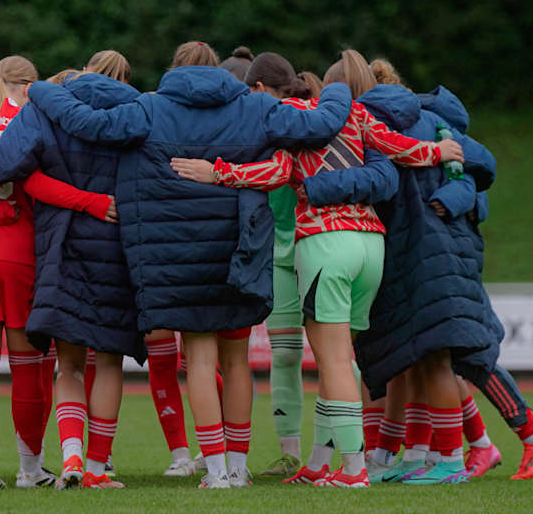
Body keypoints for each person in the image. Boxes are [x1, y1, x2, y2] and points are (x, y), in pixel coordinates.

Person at [25, 51, 354, 488]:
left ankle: (215, 472)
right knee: (237, 362)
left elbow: (89, 124)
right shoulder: (255, 108)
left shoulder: (150, 107)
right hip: (239, 252)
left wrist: (41, 88)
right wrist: (337, 88)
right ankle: (238, 469)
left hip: (176, 260)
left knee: (199, 360)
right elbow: (320, 126)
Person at [173, 51, 458, 487]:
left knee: (334, 361)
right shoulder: (357, 117)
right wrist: (438, 150)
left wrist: (219, 173)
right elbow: (398, 149)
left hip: (325, 243)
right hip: (371, 244)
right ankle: (320, 462)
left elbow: (274, 171)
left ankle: (353, 470)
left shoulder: (293, 127)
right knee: (342, 361)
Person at [0, 70, 142, 489]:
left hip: (55, 245)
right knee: (108, 361)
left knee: (62, 367)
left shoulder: (37, 113)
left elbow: (9, 172)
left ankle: (42, 463)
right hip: (116, 244)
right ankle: (88, 469)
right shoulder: (134, 109)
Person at [299, 57, 506, 485]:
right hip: (416, 251)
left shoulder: (363, 121)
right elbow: (478, 166)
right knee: (409, 361)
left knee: (425, 361)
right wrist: (458, 188)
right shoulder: (421, 122)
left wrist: (314, 188)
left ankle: (452, 456)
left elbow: (386, 178)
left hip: (411, 252)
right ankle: (413, 454)